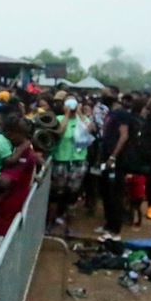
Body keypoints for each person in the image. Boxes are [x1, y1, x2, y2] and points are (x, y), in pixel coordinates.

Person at [0, 114, 43, 237]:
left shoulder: (21, 151)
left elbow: (5, 181)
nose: (26, 139)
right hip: (6, 211)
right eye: (23, 134)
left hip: (6, 213)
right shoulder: (5, 146)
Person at [47, 96, 90, 236]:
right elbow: (59, 132)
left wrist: (80, 113)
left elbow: (89, 129)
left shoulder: (83, 120)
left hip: (78, 162)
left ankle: (69, 225)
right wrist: (66, 115)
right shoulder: (59, 119)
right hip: (61, 161)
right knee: (56, 194)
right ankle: (50, 223)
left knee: (72, 195)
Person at [96, 93, 134, 241]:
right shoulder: (111, 113)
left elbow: (124, 136)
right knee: (106, 191)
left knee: (115, 194)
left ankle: (115, 230)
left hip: (116, 160)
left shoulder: (122, 114)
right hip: (107, 157)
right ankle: (108, 224)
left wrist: (113, 156)